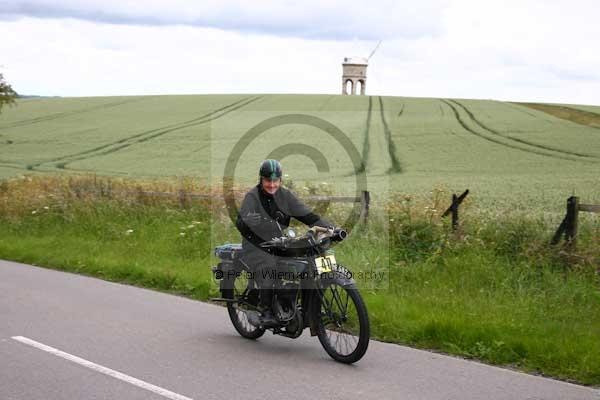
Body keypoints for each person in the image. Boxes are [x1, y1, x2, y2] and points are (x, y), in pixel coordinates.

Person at [235, 159, 332, 327]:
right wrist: (248, 221)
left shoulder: (285, 196)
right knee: (270, 266)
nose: (271, 185)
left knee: (310, 259)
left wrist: (329, 228)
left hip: (280, 242)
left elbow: (306, 214)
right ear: (261, 179)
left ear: (280, 180)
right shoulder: (252, 197)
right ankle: (266, 310)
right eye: (267, 181)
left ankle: (307, 307)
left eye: (275, 181)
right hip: (256, 246)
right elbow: (240, 223)